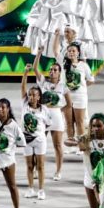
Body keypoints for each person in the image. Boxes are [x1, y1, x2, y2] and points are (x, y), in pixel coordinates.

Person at [33, 47, 69, 180]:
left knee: (58, 145)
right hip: (43, 116)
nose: (52, 71)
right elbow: (35, 68)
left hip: (57, 117)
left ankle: (58, 171)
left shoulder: (63, 86)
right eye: (51, 69)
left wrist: (59, 112)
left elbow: (69, 105)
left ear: (59, 73)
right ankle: (37, 169)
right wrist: (39, 53)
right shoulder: (43, 82)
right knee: (39, 143)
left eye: (55, 70)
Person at [20, 64, 51, 201]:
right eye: (30, 94)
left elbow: (48, 126)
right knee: (29, 165)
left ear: (39, 97)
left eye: (34, 95)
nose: (31, 97)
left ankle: (41, 190)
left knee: (40, 166)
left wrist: (42, 138)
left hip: (39, 140)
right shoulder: (24, 105)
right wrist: (26, 73)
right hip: (26, 140)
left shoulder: (44, 110)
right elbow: (22, 87)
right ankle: (30, 188)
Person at [62, 42, 94, 145]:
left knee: (80, 122)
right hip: (67, 98)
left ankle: (82, 145)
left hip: (80, 97)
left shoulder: (83, 65)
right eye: (69, 51)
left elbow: (91, 80)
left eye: (73, 51)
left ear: (78, 53)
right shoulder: (63, 66)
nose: (71, 53)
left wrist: (81, 87)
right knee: (69, 122)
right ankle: (71, 142)